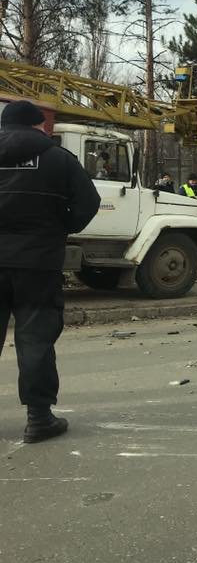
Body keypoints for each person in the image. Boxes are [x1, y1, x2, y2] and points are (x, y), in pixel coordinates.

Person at [0, 100, 101, 442]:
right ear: (37, 126)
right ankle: (39, 418)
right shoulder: (59, 159)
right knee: (35, 340)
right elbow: (89, 202)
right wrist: (61, 227)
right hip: (38, 264)